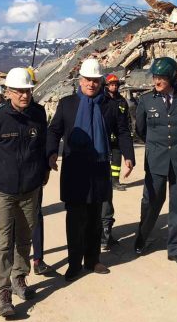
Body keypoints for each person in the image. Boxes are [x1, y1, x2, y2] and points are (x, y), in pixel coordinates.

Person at [47, 59, 135, 282]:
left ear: (101, 82)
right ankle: (74, 263)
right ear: (80, 80)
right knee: (75, 219)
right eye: (87, 80)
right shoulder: (67, 104)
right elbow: (54, 130)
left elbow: (123, 131)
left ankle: (92, 259)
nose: (91, 84)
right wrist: (51, 152)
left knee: (95, 217)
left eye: (95, 80)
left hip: (98, 168)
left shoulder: (110, 105)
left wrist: (128, 156)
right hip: (75, 169)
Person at [0, 67, 49, 317]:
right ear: (8, 92)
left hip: (29, 190)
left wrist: (42, 173)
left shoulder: (38, 115)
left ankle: (19, 278)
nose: (24, 95)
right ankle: (3, 292)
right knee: (3, 243)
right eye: (19, 91)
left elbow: (42, 147)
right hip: (2, 190)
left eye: (28, 90)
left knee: (25, 239)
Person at [134, 57, 177, 266]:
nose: (156, 81)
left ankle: (175, 248)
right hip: (156, 160)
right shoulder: (146, 100)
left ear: (172, 77)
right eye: (155, 77)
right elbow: (141, 130)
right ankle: (141, 238)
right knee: (151, 202)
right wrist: (156, 146)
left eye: (161, 77)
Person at [100, 73, 129, 251]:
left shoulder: (121, 102)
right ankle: (99, 234)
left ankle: (106, 234)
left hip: (116, 143)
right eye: (111, 84)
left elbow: (125, 124)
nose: (114, 87)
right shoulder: (100, 101)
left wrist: (129, 153)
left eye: (116, 84)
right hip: (99, 150)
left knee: (107, 195)